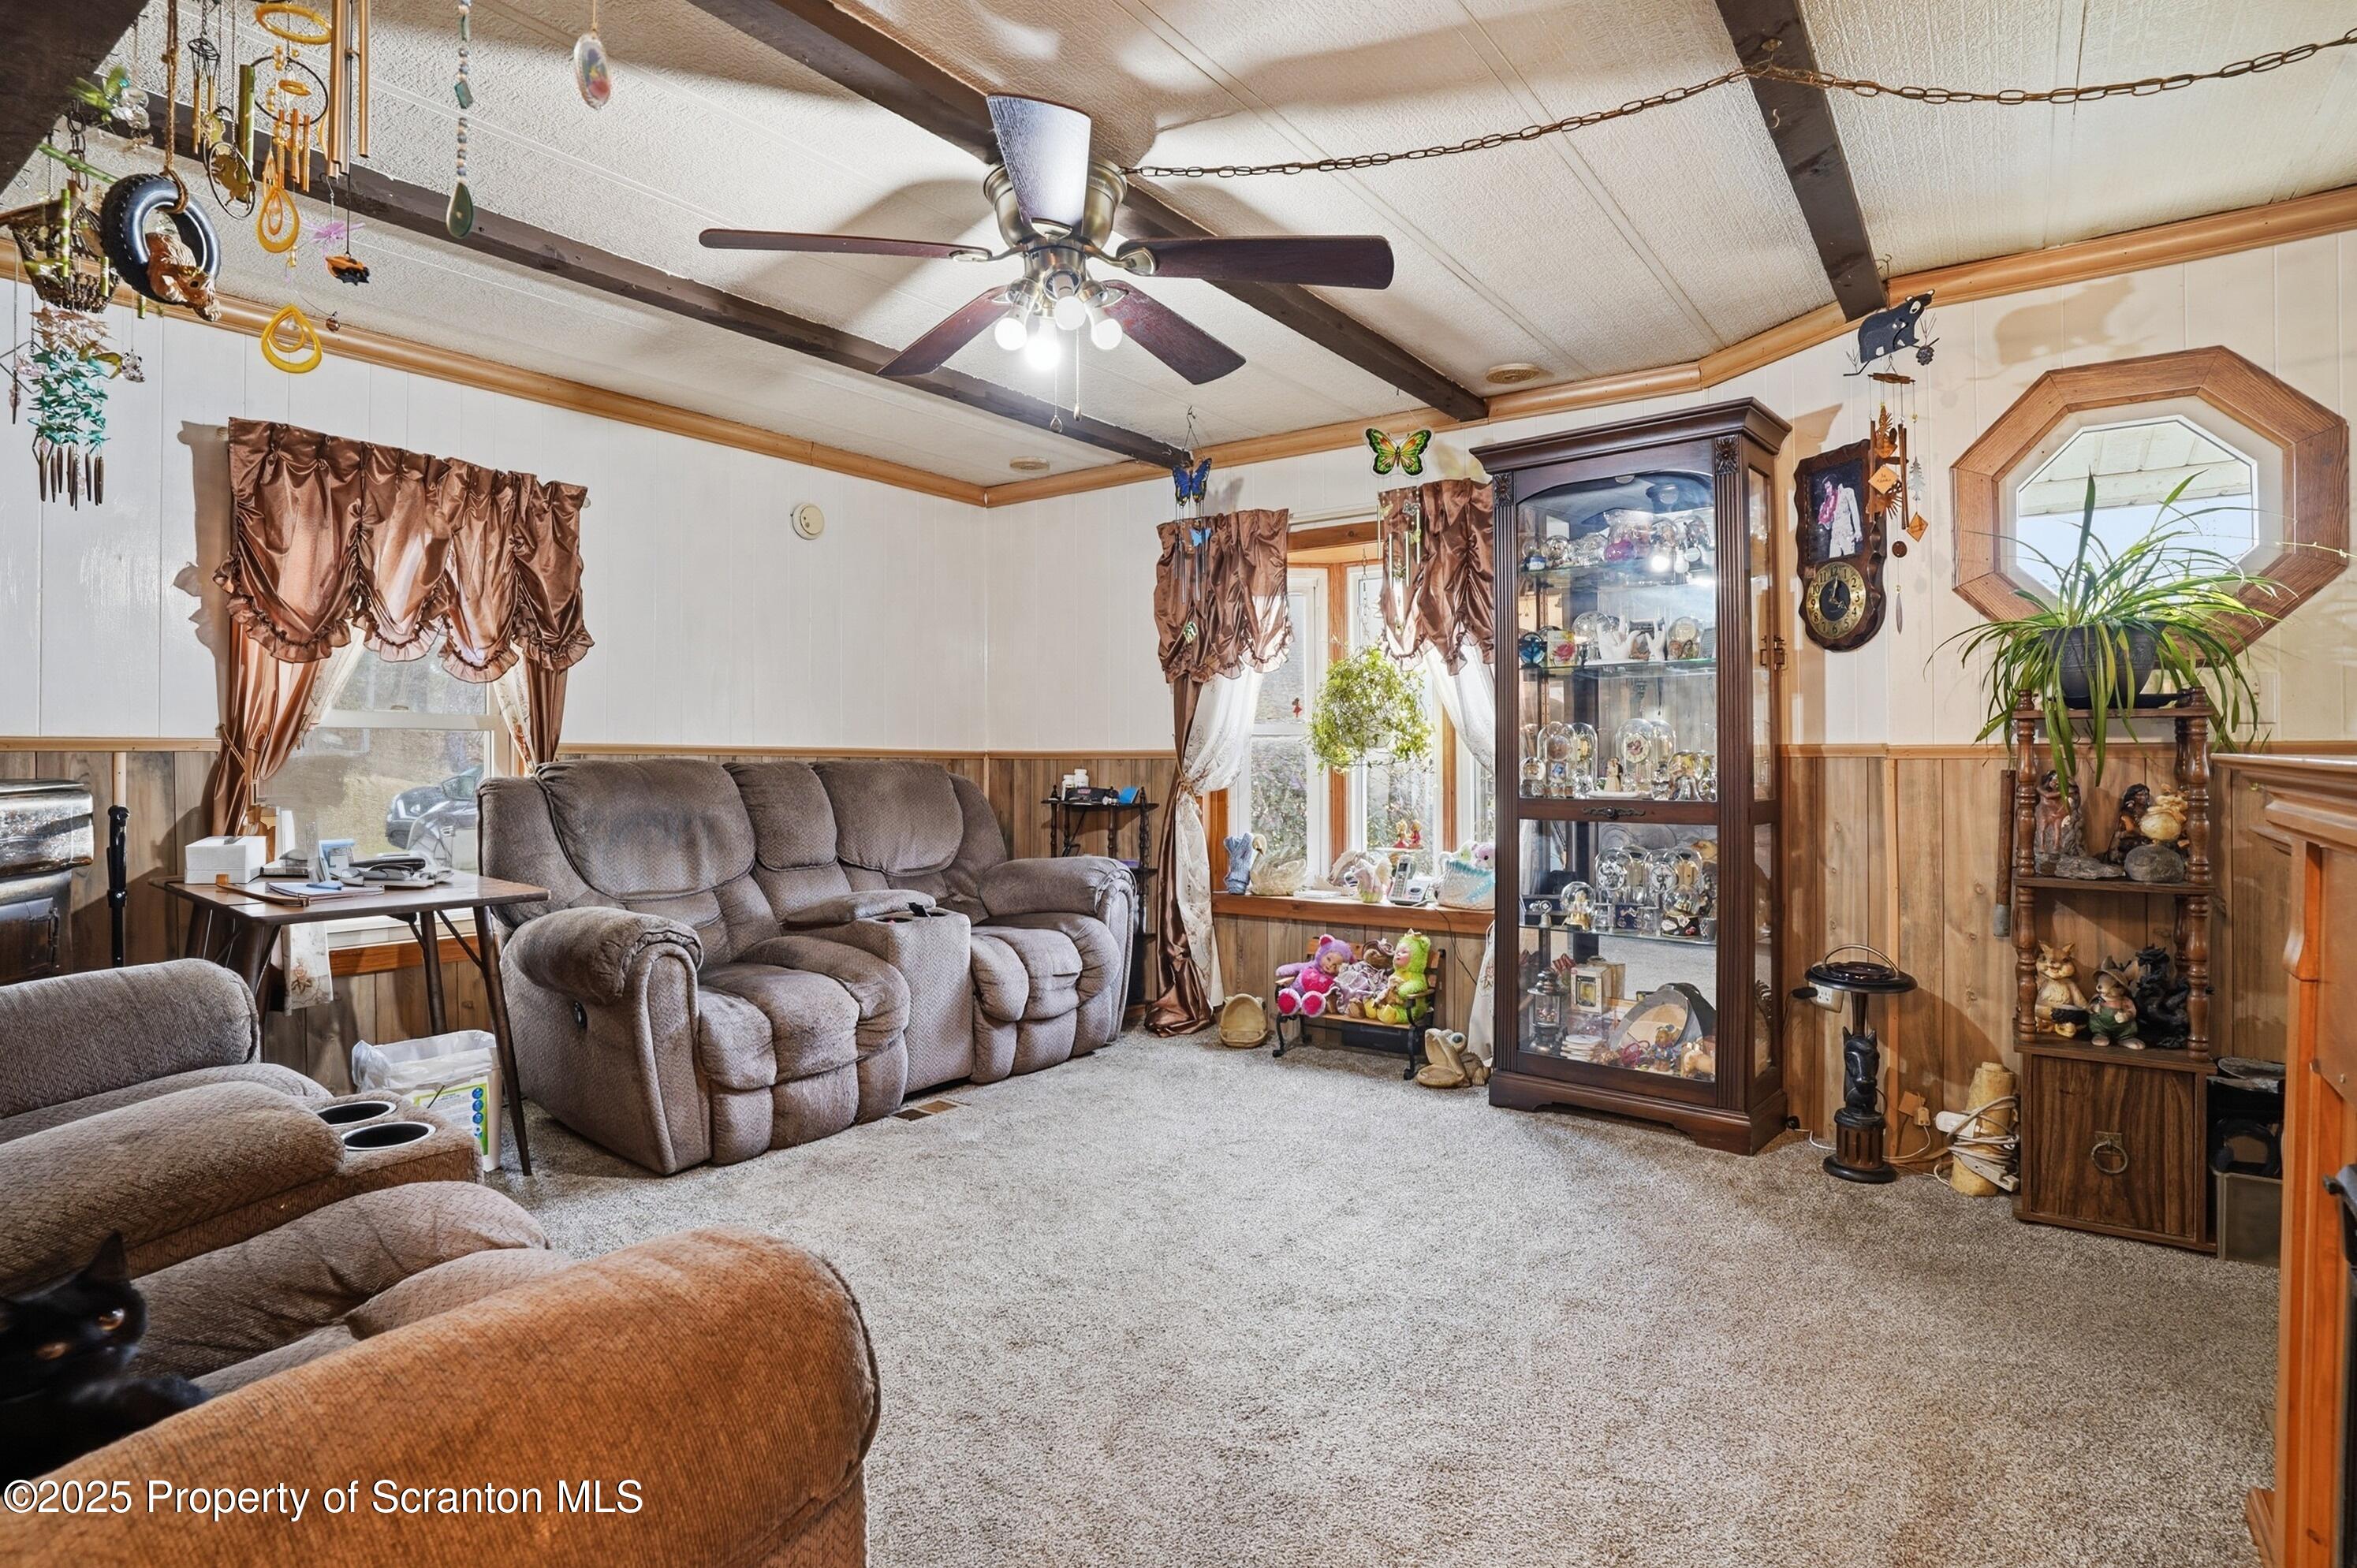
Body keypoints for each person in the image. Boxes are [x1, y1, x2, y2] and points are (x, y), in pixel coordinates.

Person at [1818, 475, 1863, 559]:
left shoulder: (1847, 492)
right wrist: (1824, 517)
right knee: (1833, 562)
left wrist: (1858, 531)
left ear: (1834, 484)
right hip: (1835, 536)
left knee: (1850, 560)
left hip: (1847, 533)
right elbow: (1829, 526)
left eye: (1828, 487)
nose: (1827, 491)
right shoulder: (1829, 502)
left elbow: (1854, 511)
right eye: (1826, 488)